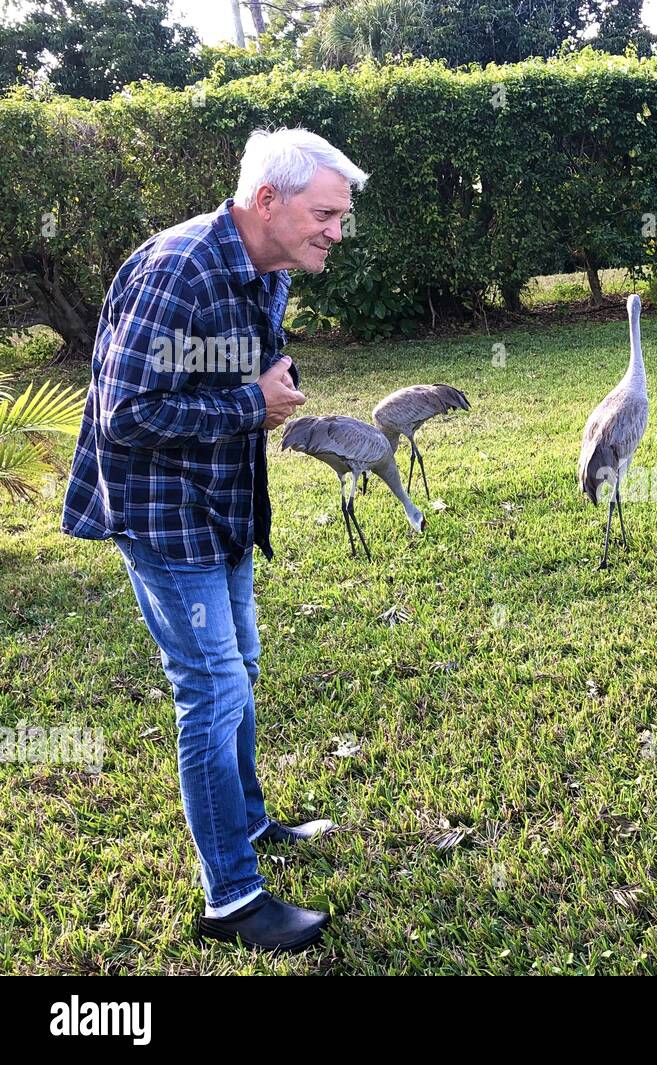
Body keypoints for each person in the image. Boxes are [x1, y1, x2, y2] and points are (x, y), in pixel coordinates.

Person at [61, 128, 368, 953]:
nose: (338, 230)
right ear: (268, 199)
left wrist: (264, 386)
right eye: (327, 213)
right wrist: (251, 405)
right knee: (212, 688)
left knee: (244, 670)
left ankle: (250, 822)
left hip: (224, 501)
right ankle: (230, 900)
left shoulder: (263, 267)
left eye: (342, 216)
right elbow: (123, 414)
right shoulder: (179, 270)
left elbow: (221, 375)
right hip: (166, 513)